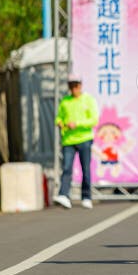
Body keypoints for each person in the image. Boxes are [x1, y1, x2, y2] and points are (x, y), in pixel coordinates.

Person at [53, 73, 99, 210]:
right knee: (66, 168)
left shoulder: (88, 100)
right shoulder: (65, 101)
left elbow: (94, 120)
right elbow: (58, 117)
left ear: (80, 85)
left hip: (84, 139)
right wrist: (60, 122)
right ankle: (64, 195)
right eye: (71, 85)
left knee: (85, 169)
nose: (74, 88)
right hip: (68, 140)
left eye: (76, 85)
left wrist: (77, 123)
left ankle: (86, 196)